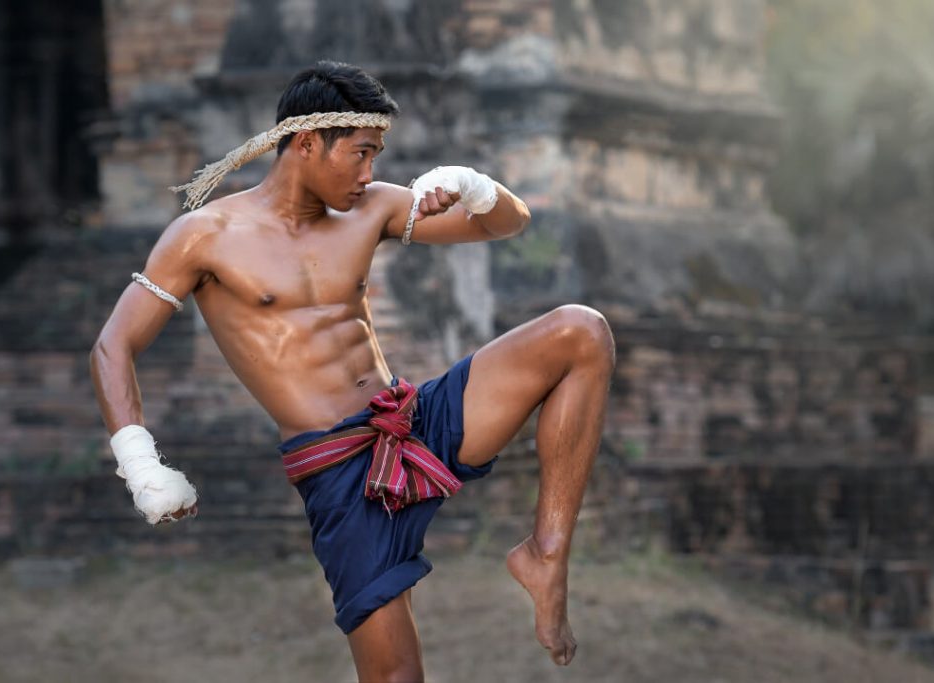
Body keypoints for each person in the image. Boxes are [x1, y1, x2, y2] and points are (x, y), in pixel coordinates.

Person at [90, 60, 615, 681]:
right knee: (396, 678)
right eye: (361, 153)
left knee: (581, 331)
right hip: (339, 471)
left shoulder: (371, 209)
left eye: (378, 154)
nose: (370, 173)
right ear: (307, 142)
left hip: (411, 423)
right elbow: (113, 345)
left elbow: (510, 222)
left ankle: (545, 553)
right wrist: (141, 466)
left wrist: (471, 185)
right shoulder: (204, 236)